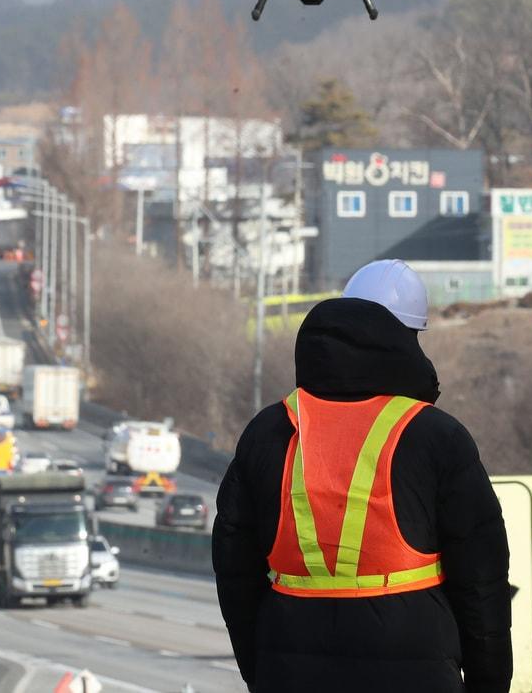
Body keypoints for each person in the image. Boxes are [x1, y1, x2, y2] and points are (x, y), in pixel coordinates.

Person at [213, 259, 513, 692]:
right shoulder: (435, 436)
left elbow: (234, 573)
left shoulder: (270, 430)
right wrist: (489, 684)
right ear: (407, 341)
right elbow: (481, 580)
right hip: (415, 668)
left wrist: (263, 670)